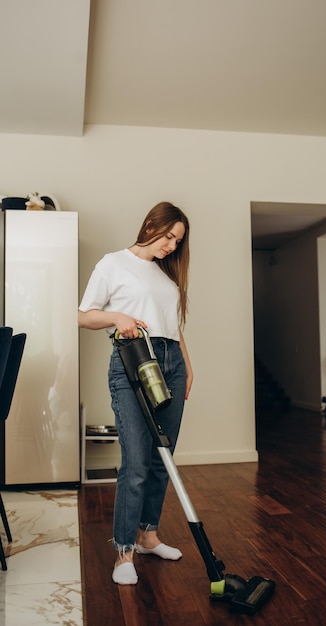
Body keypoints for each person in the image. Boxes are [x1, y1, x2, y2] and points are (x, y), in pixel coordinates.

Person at [78, 201, 193, 585]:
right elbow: (83, 315)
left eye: (177, 240)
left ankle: (148, 535)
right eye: (168, 236)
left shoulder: (165, 275)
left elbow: (173, 327)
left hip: (171, 361)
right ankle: (124, 551)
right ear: (150, 225)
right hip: (133, 362)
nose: (172, 245)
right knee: (136, 461)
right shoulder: (113, 263)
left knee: (163, 458)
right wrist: (117, 317)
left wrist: (187, 368)